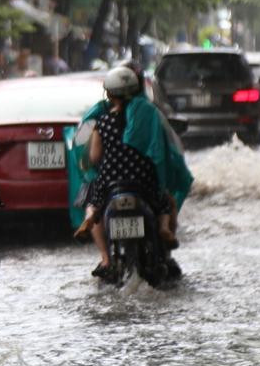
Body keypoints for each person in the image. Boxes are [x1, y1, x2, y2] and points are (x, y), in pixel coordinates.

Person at [72, 65, 193, 280]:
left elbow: (94, 158)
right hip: (142, 180)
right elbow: (158, 150)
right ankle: (164, 230)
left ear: (108, 93)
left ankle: (105, 256)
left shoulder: (101, 120)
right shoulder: (148, 114)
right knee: (166, 201)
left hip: (111, 181)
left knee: (93, 202)